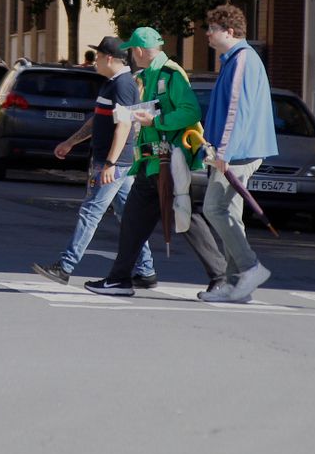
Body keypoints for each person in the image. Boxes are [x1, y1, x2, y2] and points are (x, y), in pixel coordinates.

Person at [84, 27, 230, 297]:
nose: (130, 56)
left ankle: (221, 276)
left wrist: (156, 121)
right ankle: (120, 279)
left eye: (132, 51)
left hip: (170, 162)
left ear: (139, 51)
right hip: (151, 162)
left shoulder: (171, 74)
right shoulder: (148, 76)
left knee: (186, 218)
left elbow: (190, 112)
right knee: (133, 222)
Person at [31, 36, 155, 288]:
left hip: (114, 163)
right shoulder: (111, 84)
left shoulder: (122, 85)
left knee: (90, 213)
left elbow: (124, 125)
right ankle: (146, 270)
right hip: (118, 163)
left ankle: (64, 267)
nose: (94, 61)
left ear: (109, 58)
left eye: (97, 56)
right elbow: (97, 120)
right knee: (128, 218)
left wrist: (110, 163)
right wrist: (70, 142)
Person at [195, 4, 276, 304]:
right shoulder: (235, 60)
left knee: (213, 209)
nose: (207, 34)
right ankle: (235, 284)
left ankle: (250, 267)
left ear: (229, 31)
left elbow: (236, 111)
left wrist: (224, 152)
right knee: (229, 213)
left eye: (212, 29)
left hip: (238, 153)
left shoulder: (242, 60)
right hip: (235, 151)